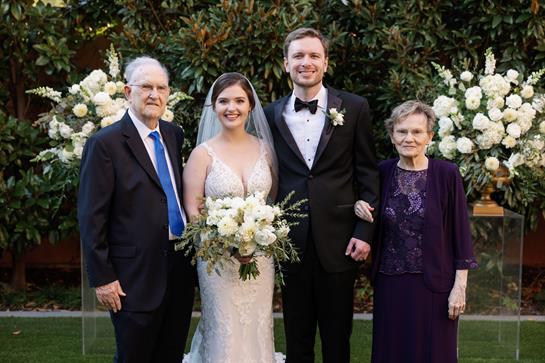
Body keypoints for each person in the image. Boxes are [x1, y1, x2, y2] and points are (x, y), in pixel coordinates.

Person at [263, 28, 380, 363]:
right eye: (298, 56)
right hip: (289, 240)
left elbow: (368, 173)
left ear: (325, 62)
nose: (306, 62)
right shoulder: (270, 115)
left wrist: (364, 232)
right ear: (286, 63)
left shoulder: (355, 108)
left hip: (341, 240)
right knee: (297, 338)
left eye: (314, 55)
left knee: (337, 338)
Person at [77, 57, 195, 363]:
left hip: (179, 267)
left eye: (161, 88)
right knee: (134, 356)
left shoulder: (173, 134)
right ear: (128, 92)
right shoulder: (105, 144)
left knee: (170, 355)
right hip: (133, 276)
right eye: (146, 87)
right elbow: (92, 217)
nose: (154, 94)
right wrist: (102, 277)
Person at [355, 100, 478, 363]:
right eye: (401, 131)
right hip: (390, 283)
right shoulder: (382, 172)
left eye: (417, 132)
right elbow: (364, 204)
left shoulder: (447, 174)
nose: (408, 138)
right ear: (392, 136)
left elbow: (461, 233)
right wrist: (358, 204)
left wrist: (460, 287)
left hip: (435, 285)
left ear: (430, 136)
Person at [182, 72, 284, 363]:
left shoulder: (265, 150)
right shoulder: (202, 154)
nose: (232, 108)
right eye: (224, 101)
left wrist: (258, 239)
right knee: (224, 328)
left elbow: (271, 202)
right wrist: (225, 244)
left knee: (257, 325)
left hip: (260, 259)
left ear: (250, 105)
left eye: (239, 100)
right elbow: (193, 212)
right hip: (217, 260)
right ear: (214, 107)